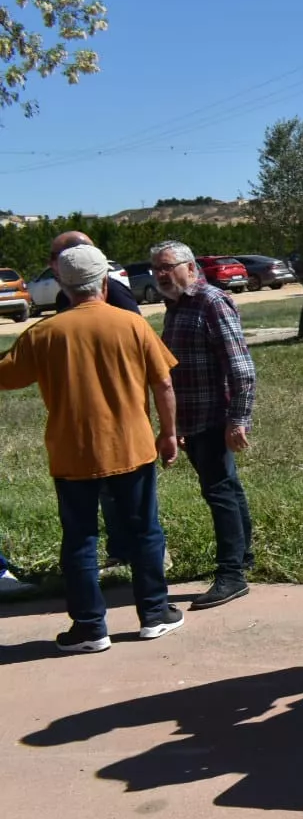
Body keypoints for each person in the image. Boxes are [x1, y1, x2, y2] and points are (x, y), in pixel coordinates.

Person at [0, 245, 184, 652]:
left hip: (73, 454)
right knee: (144, 531)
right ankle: (154, 614)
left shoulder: (43, 334)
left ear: (63, 286)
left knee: (80, 539)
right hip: (131, 448)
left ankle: (89, 627)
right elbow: (164, 384)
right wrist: (169, 433)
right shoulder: (131, 325)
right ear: (104, 281)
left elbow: (6, 377)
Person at [48, 230, 160, 576]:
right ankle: (149, 600)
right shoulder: (64, 303)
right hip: (87, 425)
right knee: (109, 503)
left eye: (54, 257)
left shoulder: (114, 295)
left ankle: (128, 558)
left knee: (120, 508)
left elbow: (144, 353)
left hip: (120, 421)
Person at [152, 241, 257, 610]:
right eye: (156, 269)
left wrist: (238, 419)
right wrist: (176, 422)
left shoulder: (211, 301)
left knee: (220, 492)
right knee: (226, 487)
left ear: (191, 267)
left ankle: (231, 575)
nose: (161, 275)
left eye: (168, 267)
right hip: (193, 418)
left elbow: (241, 368)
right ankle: (242, 559)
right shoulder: (176, 305)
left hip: (214, 417)